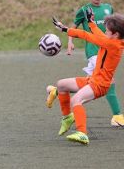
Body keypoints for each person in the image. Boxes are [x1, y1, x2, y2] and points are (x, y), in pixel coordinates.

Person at [46, 0, 124, 127]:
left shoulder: (109, 11)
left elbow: (97, 35)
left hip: (103, 51)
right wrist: (69, 35)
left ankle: (59, 92)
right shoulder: (85, 10)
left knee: (97, 85)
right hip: (94, 52)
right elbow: (90, 34)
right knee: (105, 84)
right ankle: (117, 115)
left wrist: (67, 29)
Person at [49, 9, 124, 145]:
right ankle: (67, 117)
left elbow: (86, 36)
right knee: (61, 85)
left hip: (99, 85)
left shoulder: (112, 44)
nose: (105, 32)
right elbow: (99, 34)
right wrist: (91, 22)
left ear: (116, 34)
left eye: (107, 31)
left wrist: (66, 29)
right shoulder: (113, 41)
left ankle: (82, 133)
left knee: (76, 100)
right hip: (93, 80)